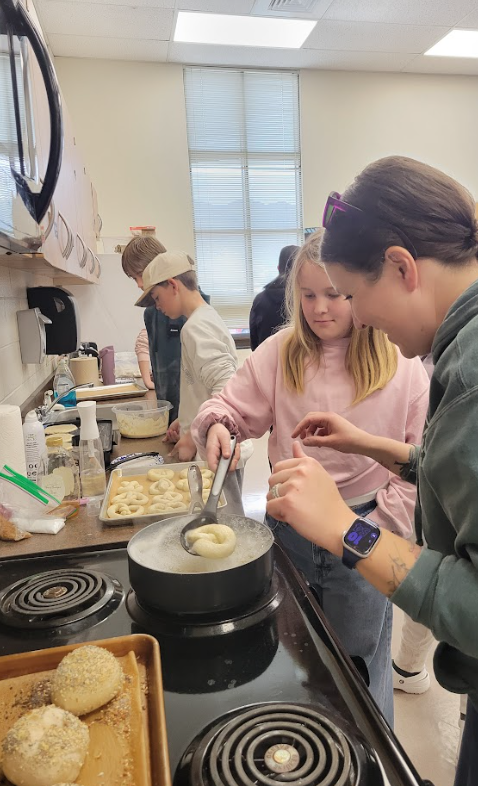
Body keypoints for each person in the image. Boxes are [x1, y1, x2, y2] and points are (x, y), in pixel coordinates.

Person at [266, 156, 478, 786]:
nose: (358, 318)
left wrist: (348, 530)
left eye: (354, 295)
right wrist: (387, 449)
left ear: (402, 267)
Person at [191, 231, 429, 724]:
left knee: (358, 659)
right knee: (293, 654)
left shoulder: (400, 363)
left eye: (335, 294)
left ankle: (367, 756)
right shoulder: (280, 353)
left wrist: (379, 529)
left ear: (357, 290)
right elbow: (231, 407)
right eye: (309, 295)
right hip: (290, 527)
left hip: (363, 527)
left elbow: (415, 464)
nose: (321, 309)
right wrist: (216, 424)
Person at [135, 250, 241, 467]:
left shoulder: (195, 327)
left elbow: (226, 386)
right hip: (216, 446)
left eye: (157, 297)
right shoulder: (205, 317)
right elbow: (203, 386)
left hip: (215, 451)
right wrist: (185, 420)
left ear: (174, 286)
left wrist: (194, 437)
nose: (157, 306)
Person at [121, 236, 210, 421]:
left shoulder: (195, 313)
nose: (138, 283)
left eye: (140, 274)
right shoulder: (151, 313)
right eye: (133, 278)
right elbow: (148, 345)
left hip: (195, 413)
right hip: (170, 409)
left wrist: (191, 419)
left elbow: (208, 381)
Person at [249, 244, 299, 350]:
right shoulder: (305, 299)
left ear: (278, 268)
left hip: (264, 361)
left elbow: (254, 341)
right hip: (298, 362)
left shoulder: (260, 299)